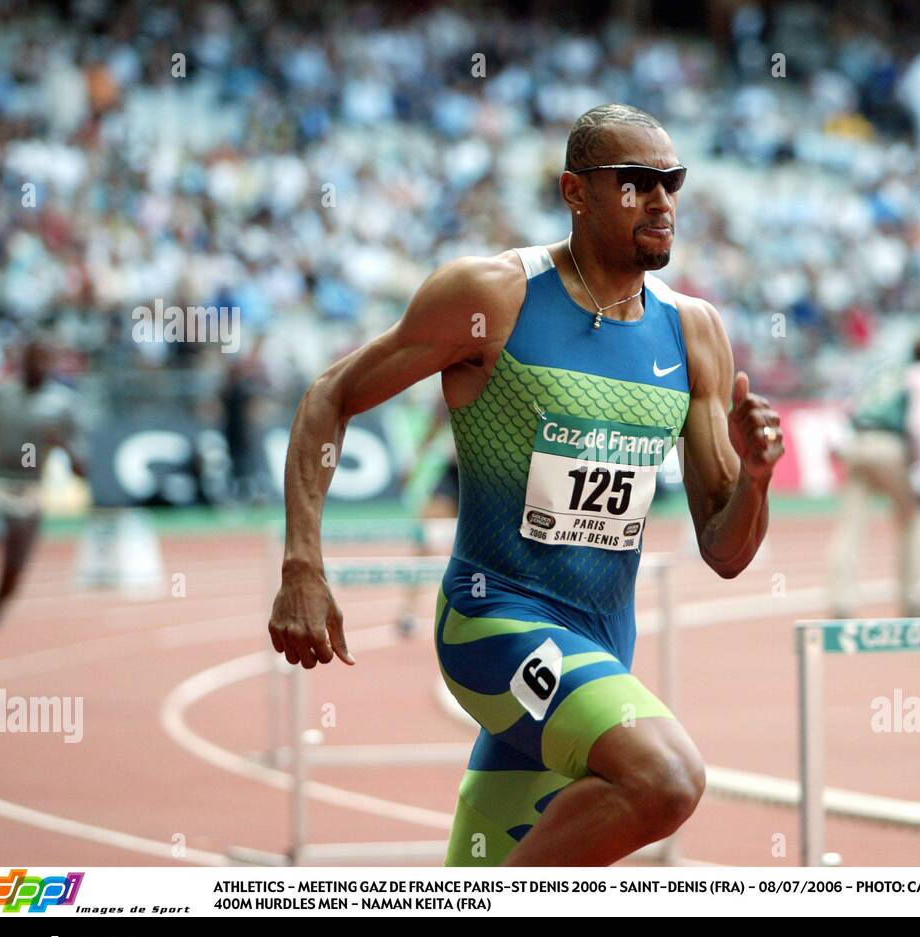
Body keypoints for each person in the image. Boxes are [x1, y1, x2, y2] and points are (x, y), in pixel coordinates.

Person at [268, 104, 785, 866]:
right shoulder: (493, 297)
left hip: (603, 639)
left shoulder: (693, 332)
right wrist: (302, 563)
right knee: (664, 779)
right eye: (635, 183)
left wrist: (759, 480)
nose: (662, 201)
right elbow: (330, 395)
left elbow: (727, 551)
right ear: (575, 192)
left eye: (671, 182)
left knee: (482, 871)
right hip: (492, 620)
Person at [829, 337, 920, 618]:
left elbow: (849, 409)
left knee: (850, 526)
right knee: (914, 518)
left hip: (856, 444)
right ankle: (913, 598)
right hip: (890, 447)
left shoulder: (889, 372)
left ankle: (840, 601)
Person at [0, 339, 88, 625]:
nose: (37, 366)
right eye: (32, 359)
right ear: (22, 361)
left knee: (13, 571)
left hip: (30, 495)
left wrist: (62, 444)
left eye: (44, 360)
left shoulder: (63, 405)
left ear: (52, 364)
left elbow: (83, 469)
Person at [393, 387, 459, 637]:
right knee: (425, 539)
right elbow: (436, 422)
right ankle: (407, 611)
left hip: (488, 479)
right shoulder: (453, 382)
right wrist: (415, 462)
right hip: (453, 473)